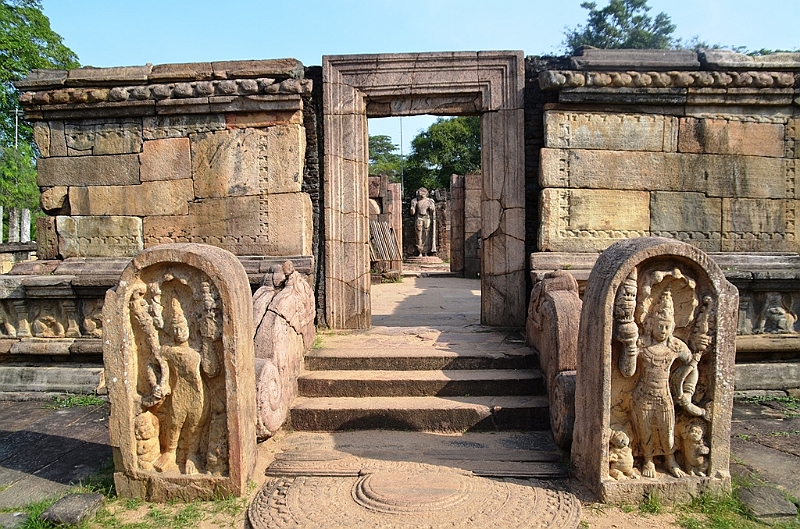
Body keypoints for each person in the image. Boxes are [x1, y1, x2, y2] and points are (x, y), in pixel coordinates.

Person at [622, 289, 694, 478]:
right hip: (643, 395)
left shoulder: (675, 346)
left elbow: (692, 365)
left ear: (672, 328)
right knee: (645, 430)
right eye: (659, 326)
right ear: (651, 324)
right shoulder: (642, 344)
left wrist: (687, 390)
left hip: (664, 395)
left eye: (667, 327)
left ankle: (670, 459)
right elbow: (627, 372)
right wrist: (630, 351)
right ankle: (648, 460)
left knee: (667, 431)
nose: (663, 330)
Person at [410, 187, 436, 256]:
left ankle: (426, 251)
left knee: (426, 235)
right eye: (420, 192)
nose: (422, 194)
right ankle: (420, 251)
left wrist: (431, 208)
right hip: (419, 218)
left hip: (426, 218)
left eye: (424, 192)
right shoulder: (415, 201)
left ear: (426, 193)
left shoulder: (429, 201)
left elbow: (432, 211)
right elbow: (412, 213)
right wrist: (412, 207)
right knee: (419, 235)